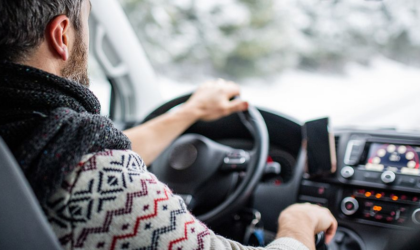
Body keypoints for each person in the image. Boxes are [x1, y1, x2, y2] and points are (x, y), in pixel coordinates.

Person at [0, 0, 337, 249]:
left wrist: (189, 113)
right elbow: (92, 166)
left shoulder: (28, 143)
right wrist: (297, 222)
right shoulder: (98, 182)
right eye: (84, 24)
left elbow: (69, 150)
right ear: (61, 35)